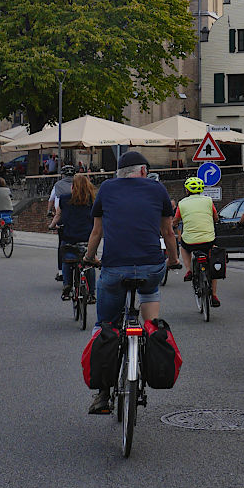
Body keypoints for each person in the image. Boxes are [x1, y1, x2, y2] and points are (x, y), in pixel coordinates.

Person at [83, 150, 180, 415]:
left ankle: (102, 392)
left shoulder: (106, 189)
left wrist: (90, 257)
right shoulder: (157, 189)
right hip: (151, 267)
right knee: (149, 301)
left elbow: (97, 231)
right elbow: (168, 232)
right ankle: (149, 345)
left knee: (105, 324)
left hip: (114, 268)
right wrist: (173, 260)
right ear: (144, 171)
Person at [172, 176, 220, 306]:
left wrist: (174, 225)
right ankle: (214, 295)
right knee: (212, 263)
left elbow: (176, 220)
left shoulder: (182, 203)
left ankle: (189, 270)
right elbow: (215, 218)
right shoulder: (209, 201)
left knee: (183, 246)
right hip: (208, 239)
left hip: (190, 240)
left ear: (187, 190)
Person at [49, 172, 97, 301]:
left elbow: (58, 215)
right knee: (89, 262)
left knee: (66, 258)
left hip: (70, 236)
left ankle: (67, 286)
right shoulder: (92, 200)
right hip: (87, 237)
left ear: (73, 187)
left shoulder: (65, 199)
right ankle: (92, 294)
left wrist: (52, 225)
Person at [48, 164, 76, 281]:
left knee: (62, 246)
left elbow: (51, 200)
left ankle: (62, 272)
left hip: (63, 220)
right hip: (81, 220)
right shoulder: (81, 185)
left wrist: (49, 212)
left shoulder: (58, 185)